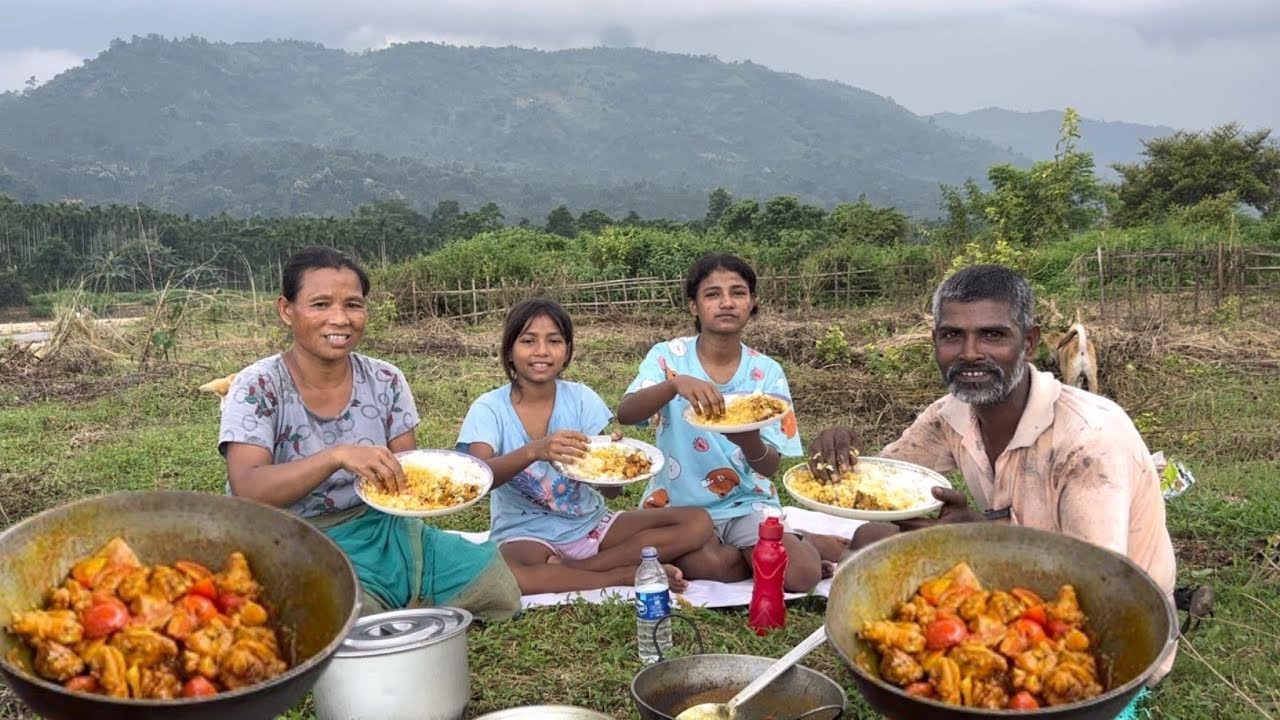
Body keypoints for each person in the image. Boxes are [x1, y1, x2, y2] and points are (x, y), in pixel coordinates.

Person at [809, 263, 1178, 683]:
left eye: (992, 335)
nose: (969, 353)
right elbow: (883, 484)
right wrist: (842, 455)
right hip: (1014, 594)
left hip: (1112, 634)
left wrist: (980, 538)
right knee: (873, 540)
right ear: (935, 341)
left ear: (1030, 342)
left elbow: (1097, 587)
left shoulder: (1088, 440)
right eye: (953, 336)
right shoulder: (952, 414)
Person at [217, 246, 521, 621]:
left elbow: (404, 474)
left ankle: (394, 599)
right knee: (348, 610)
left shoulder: (386, 379)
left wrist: (443, 485)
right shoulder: (257, 386)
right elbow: (249, 488)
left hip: (379, 530)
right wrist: (335, 456)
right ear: (286, 310)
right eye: (320, 304)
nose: (340, 319)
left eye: (353, 305)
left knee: (493, 582)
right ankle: (383, 605)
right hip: (290, 536)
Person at [617, 253, 847, 592]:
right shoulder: (667, 357)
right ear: (694, 306)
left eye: (738, 293)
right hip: (679, 505)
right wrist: (674, 385)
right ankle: (775, 549)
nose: (726, 302)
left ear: (751, 303)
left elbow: (769, 466)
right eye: (712, 294)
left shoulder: (766, 372)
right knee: (711, 567)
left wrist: (749, 441)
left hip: (746, 501)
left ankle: (791, 545)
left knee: (801, 576)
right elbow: (627, 413)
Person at [457, 298, 714, 594]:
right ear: (509, 352)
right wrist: (534, 451)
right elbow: (478, 478)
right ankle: (622, 575)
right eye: (528, 341)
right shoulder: (489, 408)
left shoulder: (582, 399)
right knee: (511, 576)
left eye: (554, 341)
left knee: (697, 522)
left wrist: (615, 464)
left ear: (567, 351)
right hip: (525, 534)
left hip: (591, 524)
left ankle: (578, 570)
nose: (541, 351)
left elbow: (610, 491)